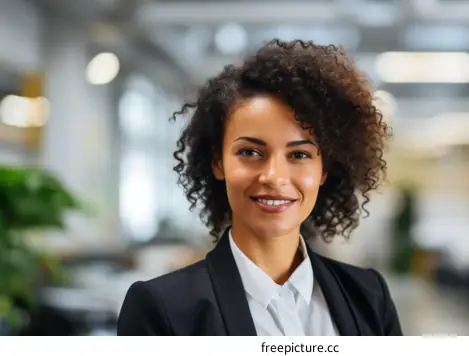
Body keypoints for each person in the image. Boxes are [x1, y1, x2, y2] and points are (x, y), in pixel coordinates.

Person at [117, 39, 402, 336]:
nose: (274, 176)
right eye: (250, 152)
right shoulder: (162, 308)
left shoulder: (369, 295)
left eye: (299, 155)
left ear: (324, 170)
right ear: (218, 163)